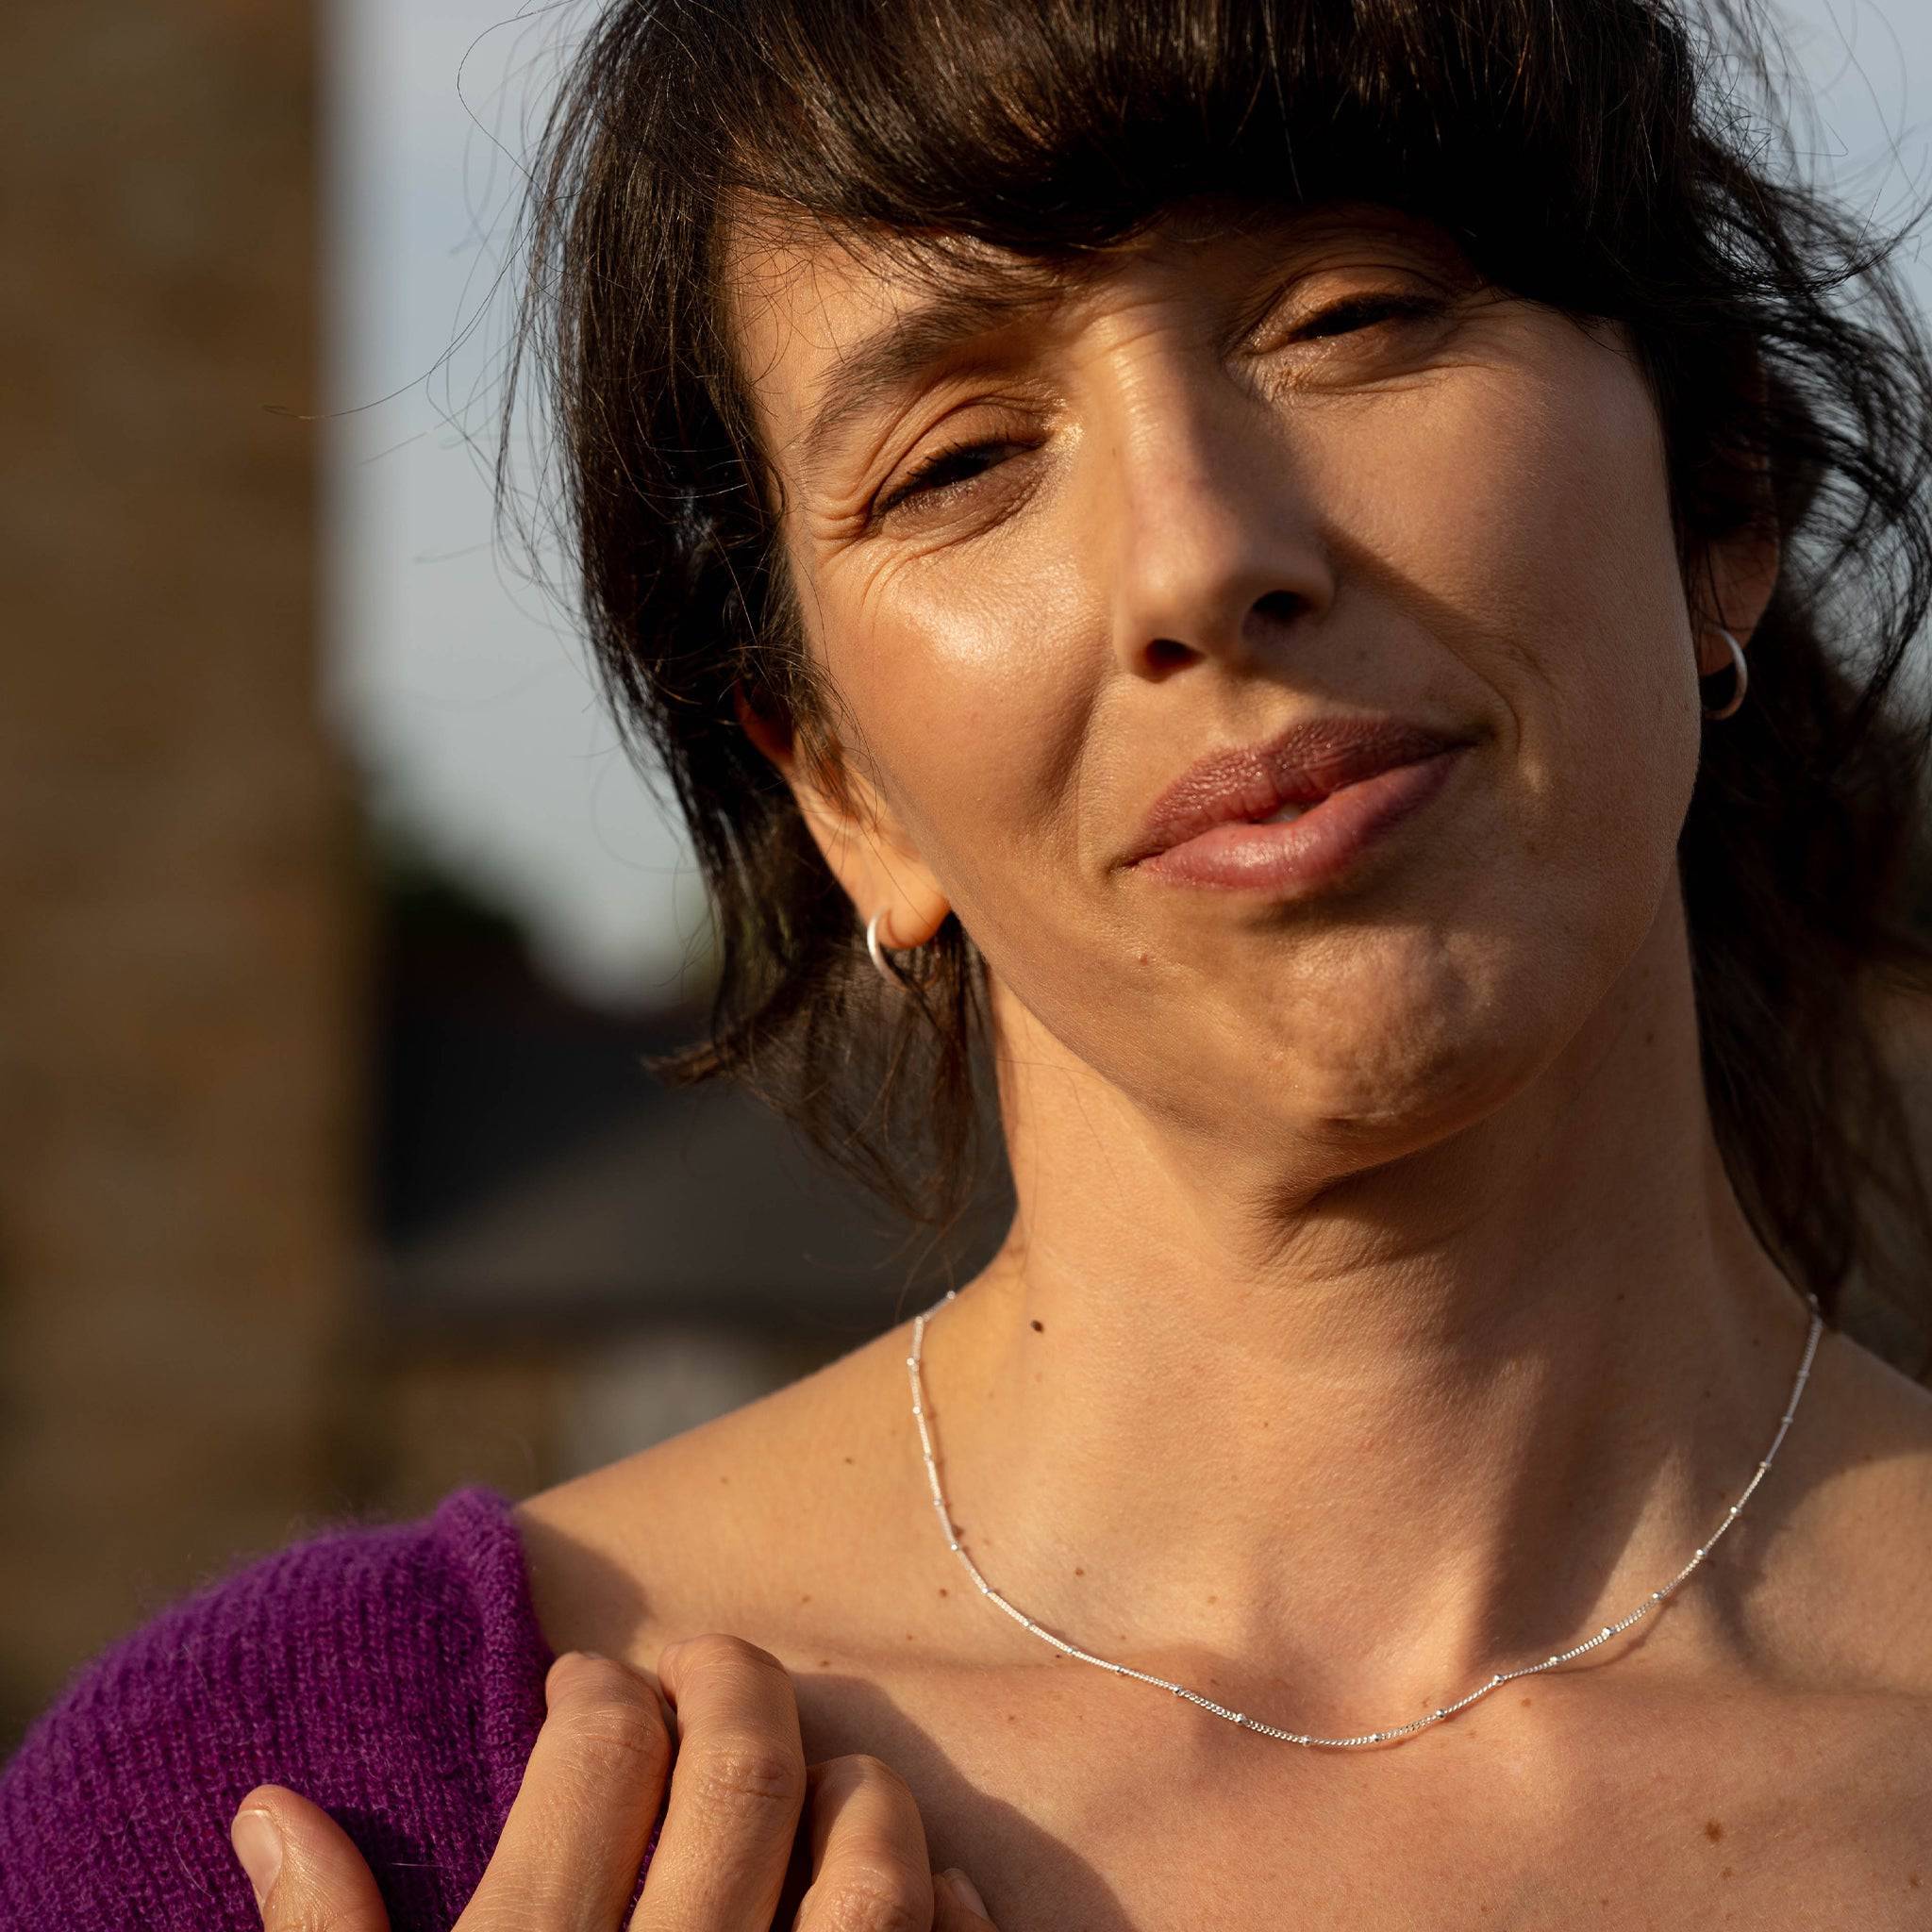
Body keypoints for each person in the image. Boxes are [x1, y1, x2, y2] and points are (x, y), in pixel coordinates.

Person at [9, 0, 1932, 1925]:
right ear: (841, 784)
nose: (1195, 557)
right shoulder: (301, 1811)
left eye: (1349, 317)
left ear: (1722, 498)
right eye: (956, 462)